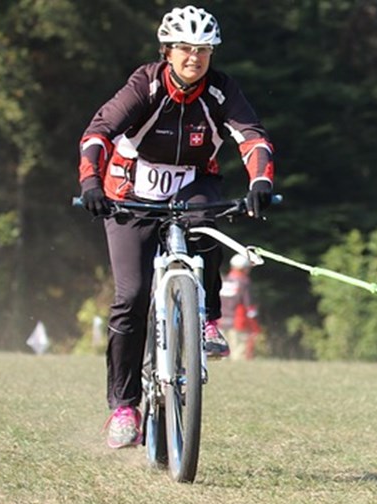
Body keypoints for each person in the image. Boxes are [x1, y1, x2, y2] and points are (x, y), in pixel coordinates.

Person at [77, 6, 276, 449]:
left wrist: (260, 182)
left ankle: (207, 320)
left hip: (193, 183)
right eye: (185, 48)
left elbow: (252, 138)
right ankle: (124, 407)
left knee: (206, 225)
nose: (194, 57)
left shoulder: (221, 90)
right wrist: (90, 182)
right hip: (130, 189)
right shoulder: (145, 84)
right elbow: (98, 133)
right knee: (131, 297)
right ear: (167, 51)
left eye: (203, 50)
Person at [219, 253, 259, 361]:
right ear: (244, 268)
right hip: (238, 320)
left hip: (221, 320)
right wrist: (253, 316)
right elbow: (248, 302)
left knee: (223, 352)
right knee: (239, 351)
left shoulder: (224, 280)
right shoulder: (244, 281)